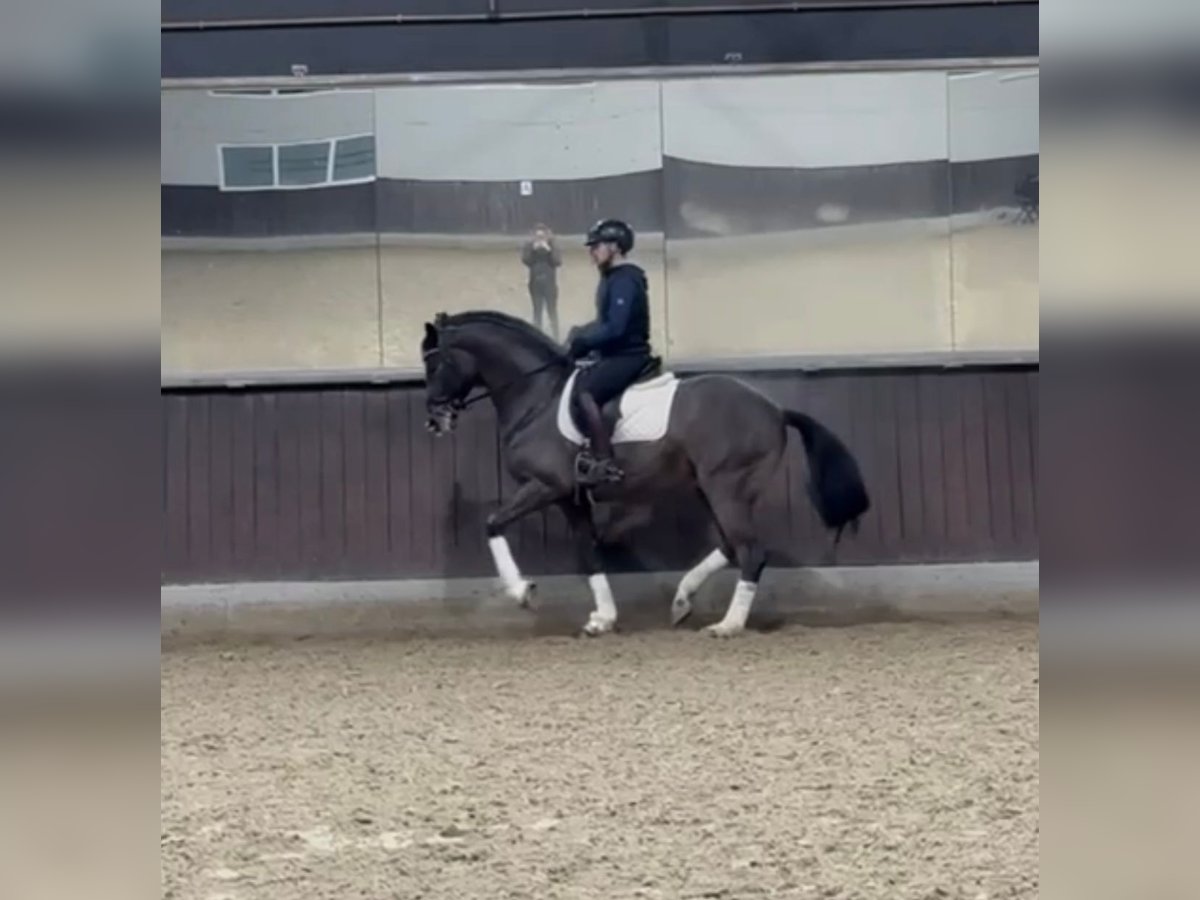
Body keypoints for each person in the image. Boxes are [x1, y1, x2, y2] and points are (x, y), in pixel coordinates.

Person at [565, 218, 653, 487]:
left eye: (597, 246)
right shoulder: (612, 279)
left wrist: (585, 341)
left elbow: (616, 328)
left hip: (629, 355)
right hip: (616, 354)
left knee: (585, 392)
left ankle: (605, 461)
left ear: (615, 247)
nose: (592, 252)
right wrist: (580, 332)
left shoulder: (625, 279)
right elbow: (604, 323)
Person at [520, 224, 562, 339]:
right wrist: (533, 249)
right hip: (535, 283)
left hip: (550, 284)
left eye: (542, 236)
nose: (540, 238)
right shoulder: (529, 246)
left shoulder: (553, 245)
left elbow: (557, 261)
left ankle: (556, 335)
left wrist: (548, 250)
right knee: (537, 311)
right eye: (537, 236)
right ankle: (537, 336)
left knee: (552, 311)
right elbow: (526, 260)